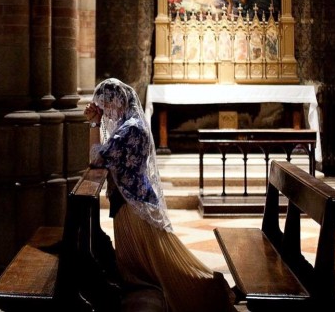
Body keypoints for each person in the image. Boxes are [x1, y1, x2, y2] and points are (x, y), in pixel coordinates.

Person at [84, 78, 236, 312]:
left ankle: (208, 291)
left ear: (117, 102)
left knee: (161, 267)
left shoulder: (130, 128)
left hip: (135, 207)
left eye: (106, 106)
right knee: (152, 265)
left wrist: (94, 125)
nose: (105, 113)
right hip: (132, 203)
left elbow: (96, 159)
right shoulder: (129, 123)